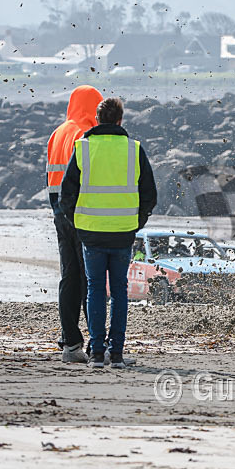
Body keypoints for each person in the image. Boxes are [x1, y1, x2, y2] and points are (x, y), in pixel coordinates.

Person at [59, 97, 157, 369]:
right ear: (120, 120)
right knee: (119, 292)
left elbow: (67, 195)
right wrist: (135, 221)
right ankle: (116, 354)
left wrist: (78, 222)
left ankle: (97, 353)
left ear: (98, 119)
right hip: (123, 232)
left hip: (90, 233)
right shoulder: (133, 149)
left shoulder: (83, 148)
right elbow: (149, 194)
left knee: (94, 291)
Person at [47, 85, 103, 363]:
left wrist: (59, 211)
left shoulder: (57, 133)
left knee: (69, 276)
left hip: (59, 213)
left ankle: (70, 341)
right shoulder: (84, 134)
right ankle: (96, 343)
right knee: (90, 279)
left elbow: (52, 179)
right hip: (81, 213)